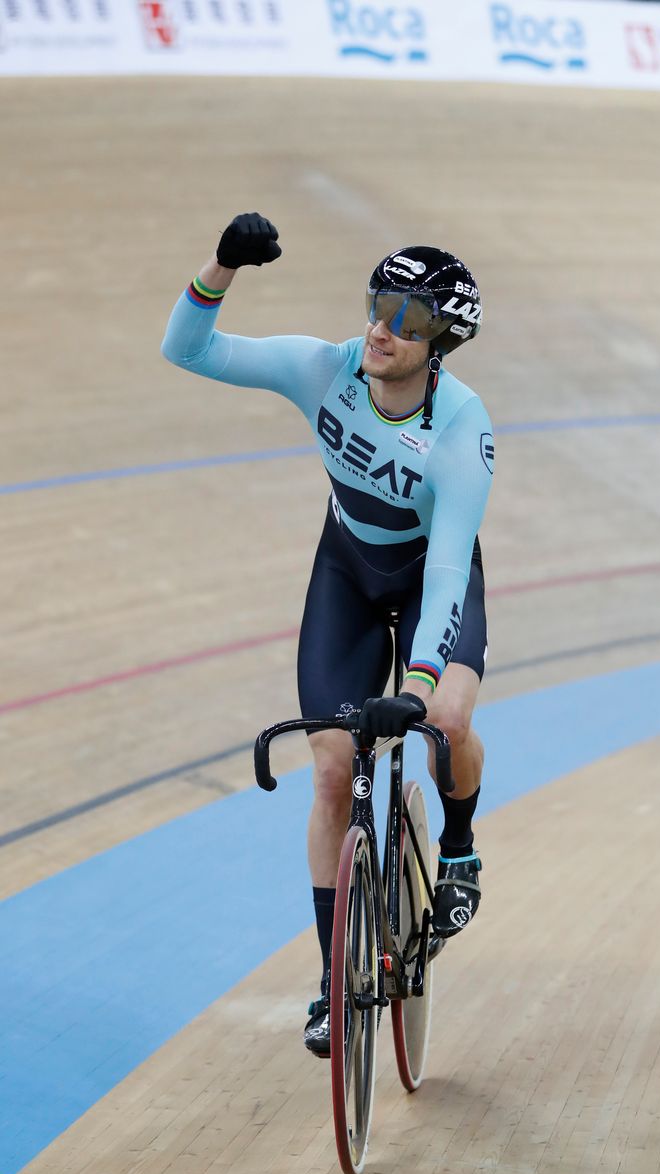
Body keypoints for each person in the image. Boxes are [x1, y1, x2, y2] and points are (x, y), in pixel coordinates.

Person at [162, 212, 495, 1057]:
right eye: (380, 303)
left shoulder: (460, 427)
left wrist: (417, 689)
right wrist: (221, 266)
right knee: (328, 770)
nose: (383, 327)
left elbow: (450, 568)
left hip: (428, 577)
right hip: (345, 571)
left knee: (447, 720)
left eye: (409, 318)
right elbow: (188, 352)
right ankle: (329, 983)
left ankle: (456, 851)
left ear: (441, 339)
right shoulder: (324, 368)